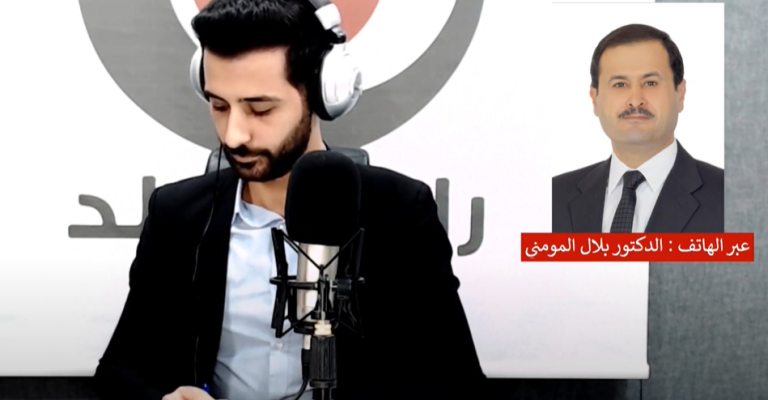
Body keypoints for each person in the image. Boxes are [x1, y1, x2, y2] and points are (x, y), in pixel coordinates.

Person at [92, 1, 485, 399]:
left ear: (322, 92)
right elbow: (120, 372)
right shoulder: (177, 215)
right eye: (219, 105)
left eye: (260, 109)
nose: (233, 135)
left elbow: (455, 382)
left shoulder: (401, 212)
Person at [552, 24, 724, 234]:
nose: (635, 100)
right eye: (620, 84)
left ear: (680, 94)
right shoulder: (553, 198)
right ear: (594, 99)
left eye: (650, 83)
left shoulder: (729, 197)